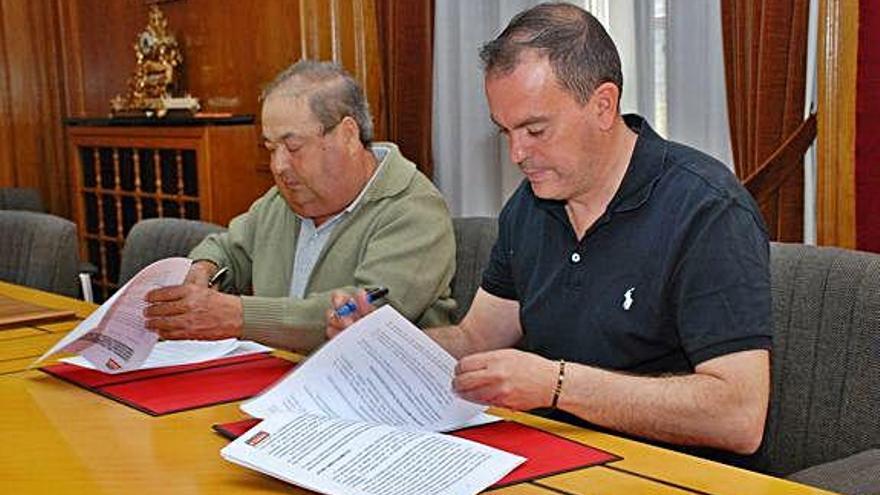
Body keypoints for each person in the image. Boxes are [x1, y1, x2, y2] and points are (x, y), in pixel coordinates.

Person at [328, 2, 772, 461]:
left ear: (603, 105)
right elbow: (475, 341)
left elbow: (738, 417)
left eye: (535, 130)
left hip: (671, 473)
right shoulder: (530, 208)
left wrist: (557, 385)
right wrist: (384, 340)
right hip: (552, 458)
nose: (517, 153)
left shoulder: (706, 210)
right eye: (505, 132)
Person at [144, 60, 456, 353]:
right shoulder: (283, 200)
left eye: (293, 147)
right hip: (278, 380)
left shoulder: (414, 209)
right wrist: (203, 269)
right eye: (270, 148)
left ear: (348, 135)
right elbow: (227, 248)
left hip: (378, 392)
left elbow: (362, 312)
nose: (279, 166)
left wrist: (239, 316)